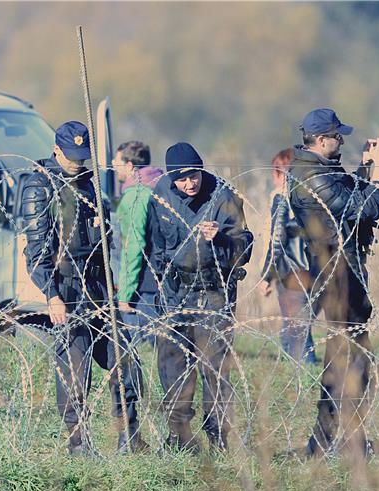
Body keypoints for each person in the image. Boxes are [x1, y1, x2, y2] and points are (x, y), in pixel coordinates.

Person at [21, 121, 147, 455]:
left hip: (99, 288)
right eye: (73, 156)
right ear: (57, 150)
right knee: (75, 374)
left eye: (83, 156)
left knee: (126, 361)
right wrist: (52, 295)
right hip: (67, 290)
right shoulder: (39, 187)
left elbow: (103, 237)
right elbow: (35, 253)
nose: (79, 162)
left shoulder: (89, 185)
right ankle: (79, 445)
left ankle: (129, 438)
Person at [287, 108, 379, 458]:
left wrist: (362, 170)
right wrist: (377, 177)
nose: (341, 140)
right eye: (336, 136)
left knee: (344, 360)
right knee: (351, 361)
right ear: (320, 140)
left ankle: (328, 442)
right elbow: (364, 209)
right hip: (337, 276)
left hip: (341, 272)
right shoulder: (312, 178)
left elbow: (348, 204)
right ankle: (346, 442)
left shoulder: (320, 170)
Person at [149, 142, 253, 452]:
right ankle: (179, 435)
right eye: (181, 178)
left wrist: (220, 237)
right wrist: (163, 293)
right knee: (173, 366)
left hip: (214, 292)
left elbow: (245, 247)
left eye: (194, 175)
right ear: (171, 179)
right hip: (176, 292)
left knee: (215, 367)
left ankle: (218, 435)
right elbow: (155, 248)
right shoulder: (161, 196)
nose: (189, 183)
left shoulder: (223, 197)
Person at [258, 148, 318, 365]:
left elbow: (276, 239)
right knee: (299, 325)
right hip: (311, 267)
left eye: (277, 172)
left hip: (291, 270)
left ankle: (304, 373)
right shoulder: (312, 196)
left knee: (294, 329)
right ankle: (299, 370)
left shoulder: (281, 198)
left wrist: (266, 276)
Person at [112, 141, 164, 347]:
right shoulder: (159, 186)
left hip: (144, 285)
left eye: (116, 161)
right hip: (163, 278)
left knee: (139, 349)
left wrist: (124, 293)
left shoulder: (135, 195)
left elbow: (133, 245)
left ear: (129, 165)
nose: (113, 165)